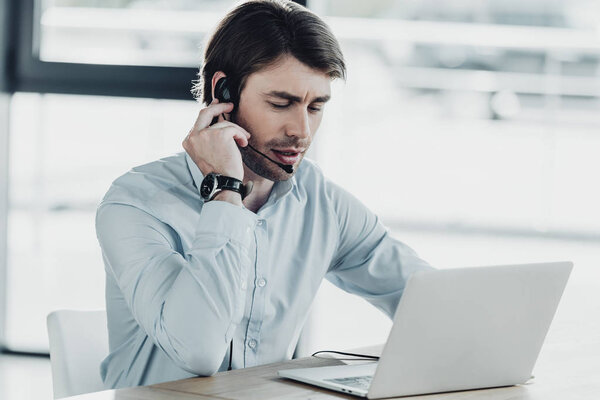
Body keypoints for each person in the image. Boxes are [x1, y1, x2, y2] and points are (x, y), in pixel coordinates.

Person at [95, 0, 433, 390]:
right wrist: (224, 189)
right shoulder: (136, 203)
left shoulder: (321, 202)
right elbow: (199, 349)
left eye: (316, 106)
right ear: (222, 92)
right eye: (281, 103)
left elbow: (425, 299)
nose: (302, 130)